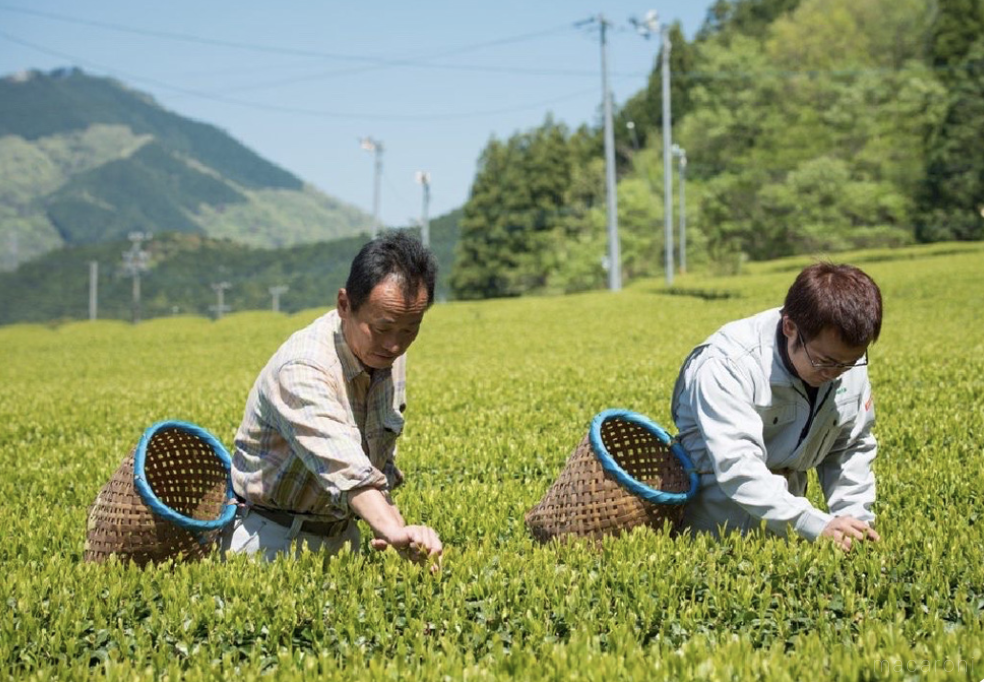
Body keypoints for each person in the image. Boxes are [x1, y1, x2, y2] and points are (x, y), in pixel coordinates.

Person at [222, 231, 443, 569]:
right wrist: (389, 528)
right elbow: (344, 465)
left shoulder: (387, 356)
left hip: (341, 536)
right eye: (382, 328)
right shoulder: (303, 368)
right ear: (345, 305)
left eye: (410, 329)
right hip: (271, 541)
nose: (395, 345)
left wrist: (400, 533)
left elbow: (376, 461)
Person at [671, 262, 882, 552]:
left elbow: (850, 447)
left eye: (850, 362)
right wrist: (816, 524)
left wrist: (855, 524)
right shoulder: (727, 364)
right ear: (790, 328)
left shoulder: (843, 362)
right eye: (825, 362)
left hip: (788, 537)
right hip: (712, 532)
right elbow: (738, 468)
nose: (837, 373)